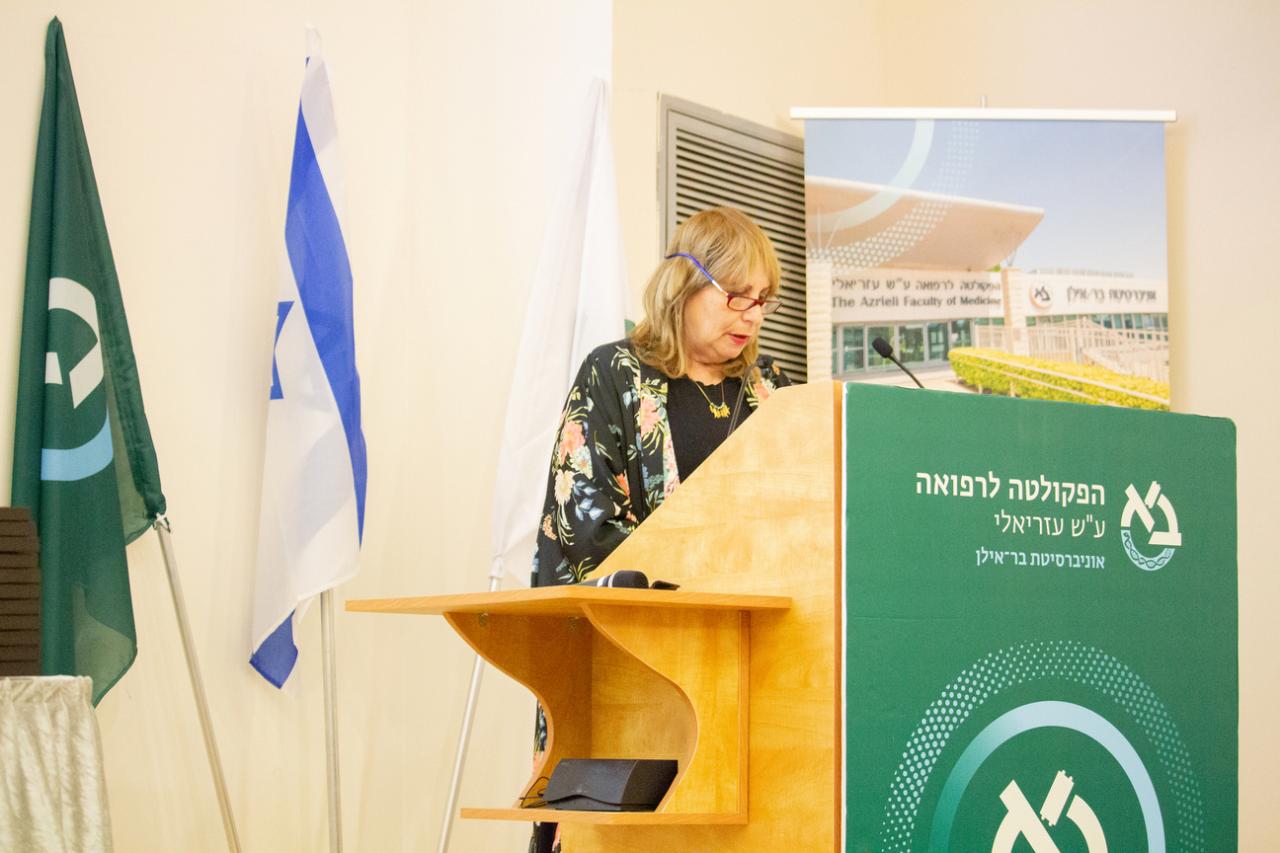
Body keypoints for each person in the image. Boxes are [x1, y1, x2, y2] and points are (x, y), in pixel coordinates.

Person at [528, 206, 790, 852]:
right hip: (633, 665)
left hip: (750, 669)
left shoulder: (773, 392)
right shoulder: (614, 375)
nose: (752, 316)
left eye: (763, 299)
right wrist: (692, 582)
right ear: (685, 283)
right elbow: (581, 518)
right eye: (736, 295)